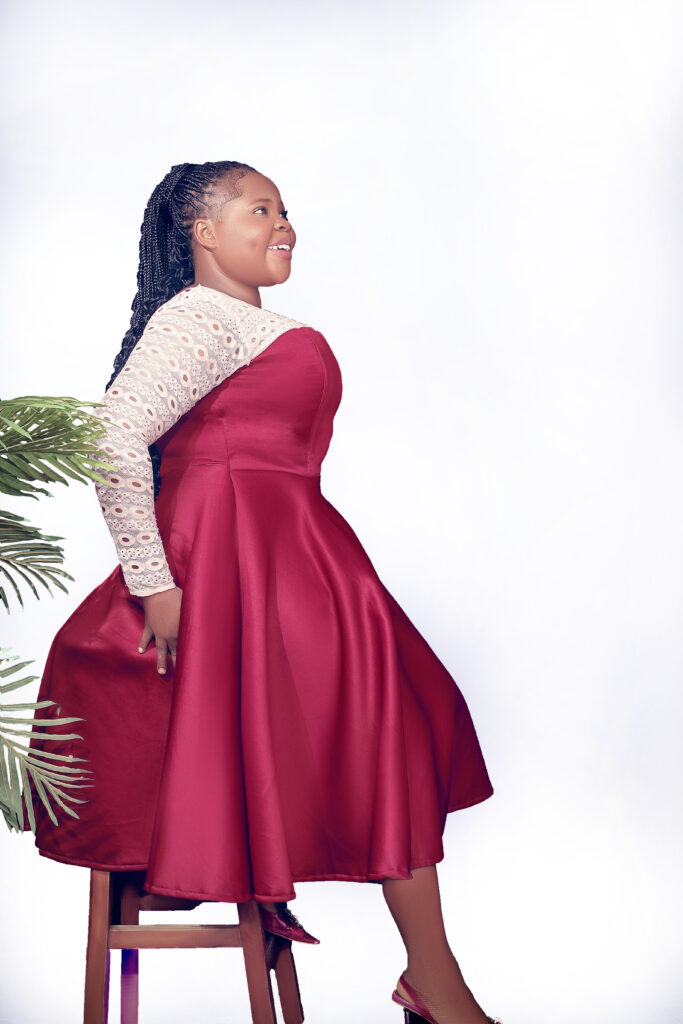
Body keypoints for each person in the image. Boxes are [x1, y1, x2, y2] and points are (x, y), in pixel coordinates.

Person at [27, 160, 501, 1024]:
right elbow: (113, 438)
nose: (284, 225)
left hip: (294, 561)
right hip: (228, 568)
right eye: (260, 210)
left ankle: (432, 977)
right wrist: (153, 584)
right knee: (382, 736)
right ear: (203, 232)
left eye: (285, 210)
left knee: (391, 729)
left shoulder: (242, 324)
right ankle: (436, 984)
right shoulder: (199, 317)